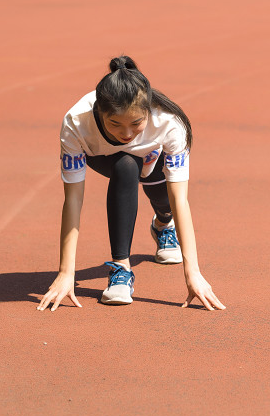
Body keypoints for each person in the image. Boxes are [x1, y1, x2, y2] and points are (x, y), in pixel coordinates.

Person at [37, 55, 225, 312]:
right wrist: (65, 273)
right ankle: (120, 270)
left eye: (136, 124)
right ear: (98, 113)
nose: (126, 134)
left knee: (165, 201)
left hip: (153, 158)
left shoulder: (170, 123)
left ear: (148, 112)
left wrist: (193, 273)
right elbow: (73, 199)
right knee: (125, 164)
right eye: (114, 124)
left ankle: (162, 225)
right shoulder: (75, 122)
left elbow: (180, 198)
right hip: (106, 159)